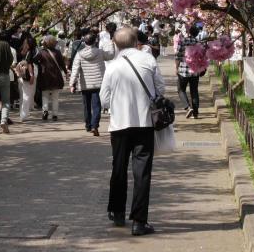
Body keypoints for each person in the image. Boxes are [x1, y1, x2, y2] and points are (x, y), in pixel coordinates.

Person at [100, 27, 165, 236]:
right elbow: (160, 90)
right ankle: (139, 221)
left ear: (115, 45)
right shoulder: (148, 60)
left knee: (118, 168)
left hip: (119, 125)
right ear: (136, 41)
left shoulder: (112, 67)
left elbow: (104, 100)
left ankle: (117, 212)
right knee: (142, 172)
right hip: (144, 123)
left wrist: (117, 105)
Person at [69, 30, 106, 136]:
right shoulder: (100, 52)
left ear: (85, 42)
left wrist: (72, 84)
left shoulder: (79, 54)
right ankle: (95, 125)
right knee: (97, 106)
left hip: (85, 85)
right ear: (95, 42)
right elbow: (111, 56)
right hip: (98, 83)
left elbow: (75, 70)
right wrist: (111, 43)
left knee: (87, 106)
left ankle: (88, 125)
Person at [176, 24, 204, 119]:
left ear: (189, 32)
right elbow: (202, 57)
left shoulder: (183, 41)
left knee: (181, 89)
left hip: (184, 69)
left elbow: (178, 55)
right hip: (195, 70)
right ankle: (195, 113)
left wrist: (176, 68)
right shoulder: (199, 42)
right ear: (197, 33)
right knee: (194, 91)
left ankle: (188, 107)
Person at [35, 34, 66, 121]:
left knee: (44, 95)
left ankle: (45, 111)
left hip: (45, 76)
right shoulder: (57, 52)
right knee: (55, 97)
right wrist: (66, 72)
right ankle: (55, 114)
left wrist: (41, 65)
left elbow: (34, 60)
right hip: (56, 77)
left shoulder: (41, 52)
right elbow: (62, 64)